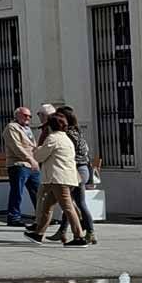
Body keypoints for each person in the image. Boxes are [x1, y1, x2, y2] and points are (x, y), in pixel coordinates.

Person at [25, 113, 87, 245]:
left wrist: (36, 149)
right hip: (63, 178)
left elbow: (39, 157)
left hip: (59, 178)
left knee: (68, 208)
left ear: (50, 126)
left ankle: (79, 236)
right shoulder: (65, 138)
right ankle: (38, 234)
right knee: (47, 206)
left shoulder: (53, 138)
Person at [46, 105, 97, 245]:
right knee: (72, 203)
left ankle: (87, 232)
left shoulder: (65, 134)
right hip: (83, 169)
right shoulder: (78, 132)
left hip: (75, 171)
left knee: (71, 203)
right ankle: (65, 231)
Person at [2, 107, 41, 227]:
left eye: (30, 116)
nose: (28, 118)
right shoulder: (12, 128)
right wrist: (30, 159)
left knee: (38, 191)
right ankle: (13, 217)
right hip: (18, 164)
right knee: (17, 191)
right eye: (25, 115)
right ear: (17, 115)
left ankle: (41, 216)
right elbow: (16, 147)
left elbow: (32, 146)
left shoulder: (27, 129)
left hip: (32, 165)